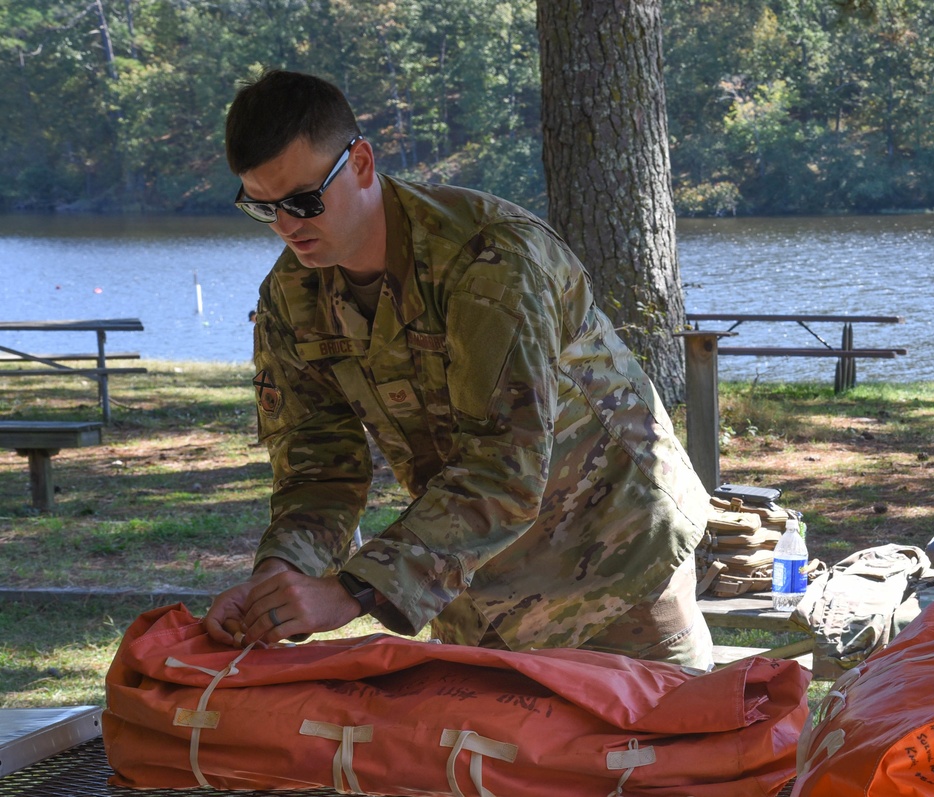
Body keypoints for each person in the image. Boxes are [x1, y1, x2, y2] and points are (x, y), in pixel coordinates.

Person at [204, 70, 714, 668]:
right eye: (261, 208)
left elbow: (505, 463)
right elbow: (318, 467)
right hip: (476, 580)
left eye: (302, 201)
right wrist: (281, 579)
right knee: (494, 757)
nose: (287, 226)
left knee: (658, 754)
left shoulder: (489, 262)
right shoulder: (292, 299)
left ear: (361, 164)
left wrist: (348, 592)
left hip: (614, 559)